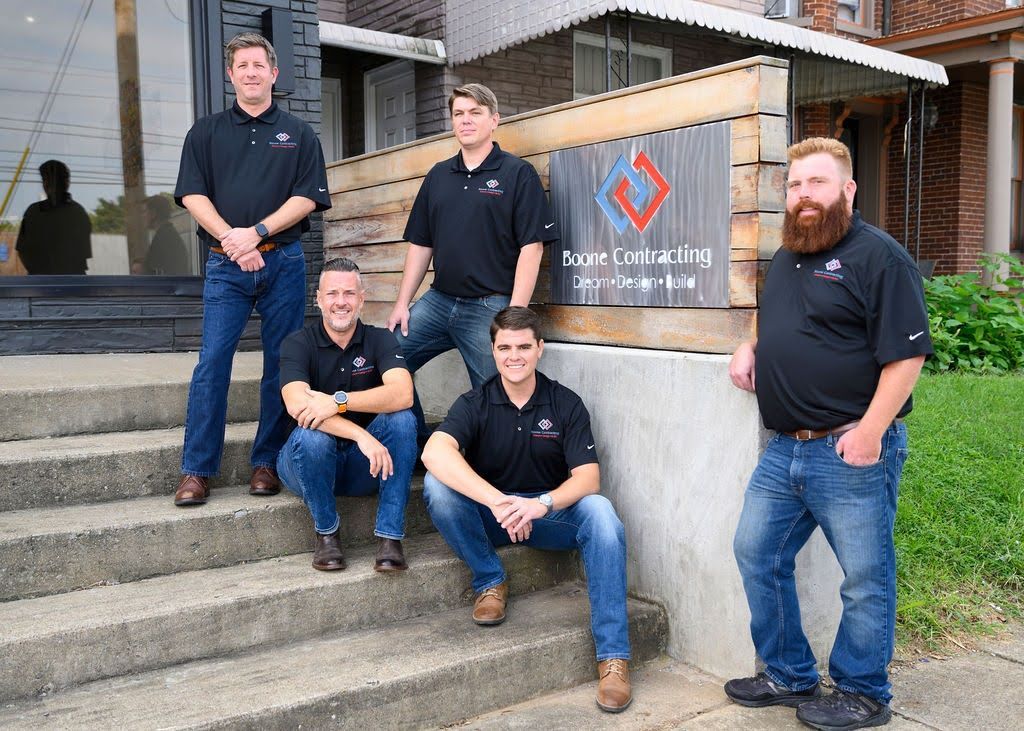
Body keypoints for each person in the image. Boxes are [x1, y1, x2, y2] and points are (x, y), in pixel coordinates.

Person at [726, 137, 932, 731]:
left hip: (852, 448)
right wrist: (752, 343)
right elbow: (786, 321)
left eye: (816, 183)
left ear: (847, 189)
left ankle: (864, 692)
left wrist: (871, 432)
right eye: (794, 185)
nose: (802, 195)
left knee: (865, 576)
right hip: (786, 446)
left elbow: (907, 357)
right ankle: (789, 674)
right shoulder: (791, 254)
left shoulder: (879, 257)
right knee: (756, 553)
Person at [422, 306, 632, 713]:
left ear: (540, 349)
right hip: (494, 515)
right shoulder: (476, 401)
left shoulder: (565, 403)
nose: (513, 356)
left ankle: (614, 658)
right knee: (437, 486)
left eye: (523, 346)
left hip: (547, 515)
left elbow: (588, 479)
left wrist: (540, 505)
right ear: (493, 351)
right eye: (504, 347)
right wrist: (498, 502)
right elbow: (434, 452)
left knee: (601, 512)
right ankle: (490, 580)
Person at [172, 32, 330, 507]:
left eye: (259, 65)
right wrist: (232, 240)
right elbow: (192, 195)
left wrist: (256, 232)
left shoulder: (299, 133)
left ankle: (267, 461)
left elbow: (307, 198)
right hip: (226, 266)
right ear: (231, 74)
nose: (251, 72)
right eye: (242, 66)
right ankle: (197, 470)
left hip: (283, 263)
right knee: (212, 365)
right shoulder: (206, 132)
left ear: (273, 73)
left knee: (280, 366)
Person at [386, 83, 558, 438]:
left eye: (475, 113)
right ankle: (417, 441)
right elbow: (421, 243)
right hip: (438, 301)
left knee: (501, 395)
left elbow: (533, 247)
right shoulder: (438, 175)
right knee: (387, 356)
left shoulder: (516, 174)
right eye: (459, 114)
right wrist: (403, 303)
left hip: (489, 306)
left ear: (494, 121)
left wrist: (515, 316)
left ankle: (498, 471)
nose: (466, 121)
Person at [277, 258, 417, 572]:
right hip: (304, 466)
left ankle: (390, 538)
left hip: (364, 466)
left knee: (403, 419)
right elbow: (298, 406)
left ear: (362, 299)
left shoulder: (380, 339)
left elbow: (403, 394)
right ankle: (327, 534)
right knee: (311, 437)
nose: (341, 302)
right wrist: (361, 434)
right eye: (332, 294)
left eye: (349, 294)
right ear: (318, 298)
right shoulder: (297, 343)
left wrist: (337, 401)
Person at [16, 160, 91, 275]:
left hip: (70, 284)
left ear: (66, 182)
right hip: (55, 284)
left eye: (53, 180)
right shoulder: (34, 212)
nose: (47, 184)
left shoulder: (77, 213)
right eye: (45, 180)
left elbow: (80, 256)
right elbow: (22, 250)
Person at [142, 194, 189, 275]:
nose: (143, 216)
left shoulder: (164, 238)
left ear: (153, 213)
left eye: (145, 211)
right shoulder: (167, 234)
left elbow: (157, 272)